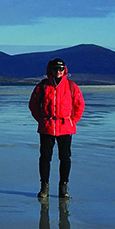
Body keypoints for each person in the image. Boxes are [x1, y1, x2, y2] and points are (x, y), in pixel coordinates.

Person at [27, 58, 84, 200]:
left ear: (65, 70)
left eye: (60, 69)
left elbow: (79, 105)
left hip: (65, 128)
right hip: (47, 128)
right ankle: (44, 187)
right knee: (45, 158)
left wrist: (72, 121)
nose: (58, 72)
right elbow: (33, 105)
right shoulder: (42, 86)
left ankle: (63, 187)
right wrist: (42, 120)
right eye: (55, 69)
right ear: (50, 70)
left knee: (65, 158)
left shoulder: (71, 86)